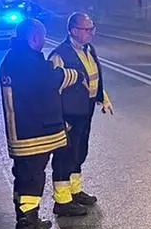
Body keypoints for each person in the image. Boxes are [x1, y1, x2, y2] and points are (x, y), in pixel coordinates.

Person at [0, 18, 80, 229]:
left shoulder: (17, 58)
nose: (44, 41)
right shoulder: (25, 61)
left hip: (28, 131)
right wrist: (74, 75)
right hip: (30, 135)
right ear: (34, 38)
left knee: (26, 178)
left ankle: (29, 220)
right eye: (42, 37)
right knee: (31, 181)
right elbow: (51, 79)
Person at [48, 11, 113, 216]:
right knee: (64, 155)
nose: (91, 33)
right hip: (68, 115)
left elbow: (92, 77)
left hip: (84, 110)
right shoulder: (60, 55)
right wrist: (58, 117)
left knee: (79, 152)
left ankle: (75, 192)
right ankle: (62, 201)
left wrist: (102, 97)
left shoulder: (88, 49)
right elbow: (52, 89)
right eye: (87, 29)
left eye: (92, 28)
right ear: (73, 31)